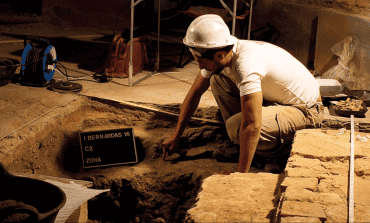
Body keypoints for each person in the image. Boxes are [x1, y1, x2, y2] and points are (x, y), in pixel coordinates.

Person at [161, 14, 324, 174]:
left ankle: (280, 155)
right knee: (217, 80)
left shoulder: (246, 65)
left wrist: (239, 176)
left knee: (236, 127)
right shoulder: (224, 52)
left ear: (219, 55)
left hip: (307, 111)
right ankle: (245, 146)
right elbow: (194, 94)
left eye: (200, 61)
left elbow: (252, 125)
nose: (199, 67)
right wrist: (176, 137)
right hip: (279, 101)